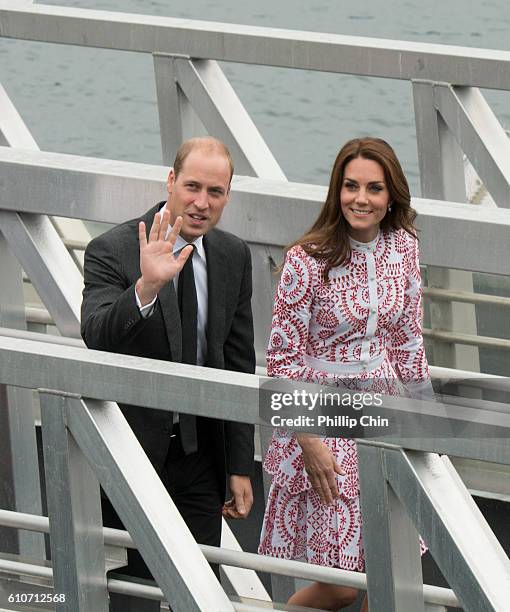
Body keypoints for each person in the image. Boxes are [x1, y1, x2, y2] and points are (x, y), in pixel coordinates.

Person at [258, 137, 431, 611]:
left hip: (383, 414)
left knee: (389, 572)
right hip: (322, 420)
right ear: (337, 191)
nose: (361, 198)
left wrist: (429, 420)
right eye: (351, 186)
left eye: (374, 188)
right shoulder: (306, 258)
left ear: (391, 195)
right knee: (338, 583)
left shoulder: (405, 248)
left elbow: (408, 340)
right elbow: (282, 359)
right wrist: (308, 440)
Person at [81, 137, 255, 599]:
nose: (202, 203)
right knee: (134, 595)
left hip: (201, 458)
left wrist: (239, 465)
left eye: (215, 192)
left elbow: (237, 362)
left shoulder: (233, 255)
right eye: (193, 186)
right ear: (171, 181)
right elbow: (96, 334)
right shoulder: (111, 248)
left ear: (227, 196)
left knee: (197, 591)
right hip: (131, 455)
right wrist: (145, 289)